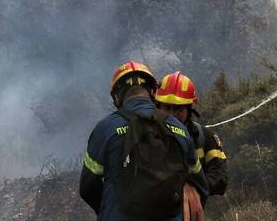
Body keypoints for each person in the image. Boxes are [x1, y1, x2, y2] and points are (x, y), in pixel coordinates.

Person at [79, 61, 208, 221]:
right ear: (153, 91)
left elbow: (87, 187)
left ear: (116, 97)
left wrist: (109, 210)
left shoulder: (105, 129)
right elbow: (201, 185)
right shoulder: (179, 129)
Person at [155, 72, 228, 196]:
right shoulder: (146, 135)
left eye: (178, 109)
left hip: (192, 207)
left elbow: (220, 178)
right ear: (158, 107)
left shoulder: (205, 137)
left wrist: (193, 188)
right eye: (167, 108)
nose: (172, 115)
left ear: (189, 109)